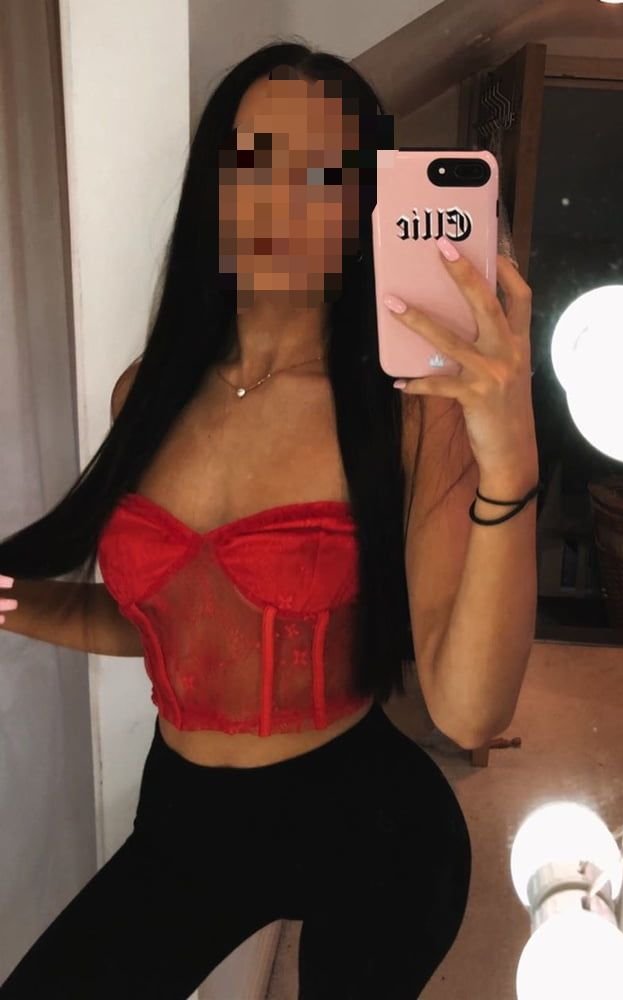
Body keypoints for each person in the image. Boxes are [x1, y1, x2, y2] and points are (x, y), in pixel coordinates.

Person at [0, 39, 539, 999]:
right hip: (186, 816)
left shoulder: (411, 413)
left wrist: (507, 454)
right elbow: (162, 624)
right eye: (250, 161)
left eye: (322, 175)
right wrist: (11, 601)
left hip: (373, 828)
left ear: (366, 208)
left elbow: (469, 711)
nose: (276, 203)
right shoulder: (147, 394)